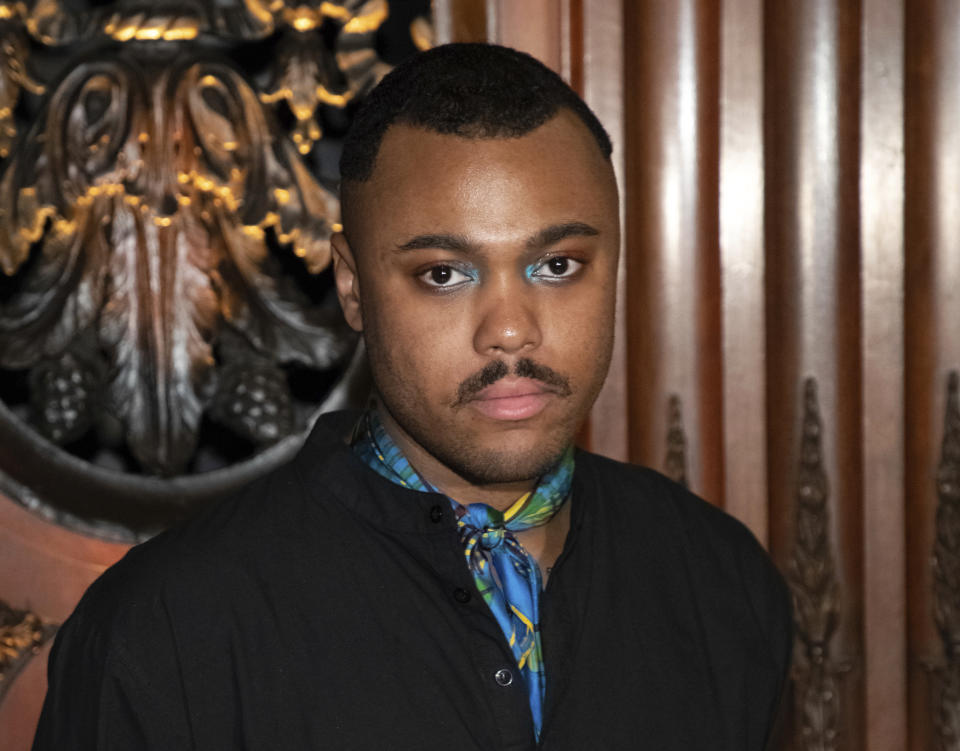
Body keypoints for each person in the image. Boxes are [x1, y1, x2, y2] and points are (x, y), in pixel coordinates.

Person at [33, 43, 791, 750]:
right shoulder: (161, 634)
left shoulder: (719, 580)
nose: (510, 331)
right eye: (444, 273)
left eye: (557, 265)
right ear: (353, 286)